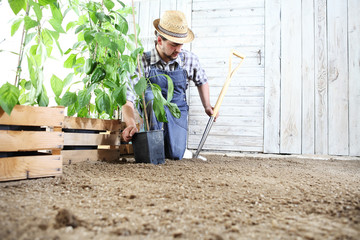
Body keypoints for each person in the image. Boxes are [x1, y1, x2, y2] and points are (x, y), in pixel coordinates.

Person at [121, 10, 215, 160]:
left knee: (175, 154)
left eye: (181, 45)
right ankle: (154, 146)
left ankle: (176, 148)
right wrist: (131, 123)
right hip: (153, 108)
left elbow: (202, 81)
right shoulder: (142, 61)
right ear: (159, 41)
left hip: (176, 106)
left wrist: (207, 106)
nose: (178, 50)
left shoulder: (188, 60)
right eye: (174, 45)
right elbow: (128, 98)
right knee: (151, 97)